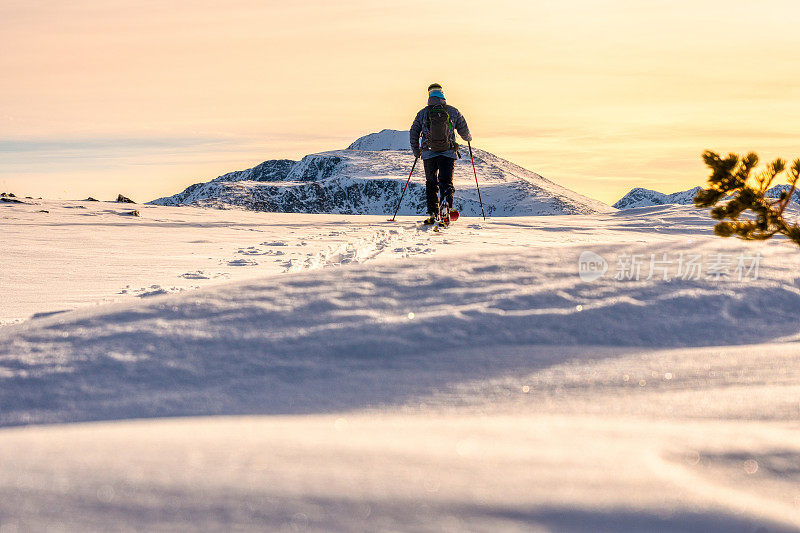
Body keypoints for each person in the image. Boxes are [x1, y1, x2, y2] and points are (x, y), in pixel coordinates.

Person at [410, 83, 472, 224]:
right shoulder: (453, 111)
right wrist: (468, 138)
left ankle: (433, 212)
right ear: (442, 94)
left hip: (428, 154)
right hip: (448, 153)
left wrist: (416, 151)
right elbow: (464, 129)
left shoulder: (422, 113)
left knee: (431, 183)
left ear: (429, 95)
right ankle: (446, 208)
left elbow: (413, 132)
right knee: (446, 182)